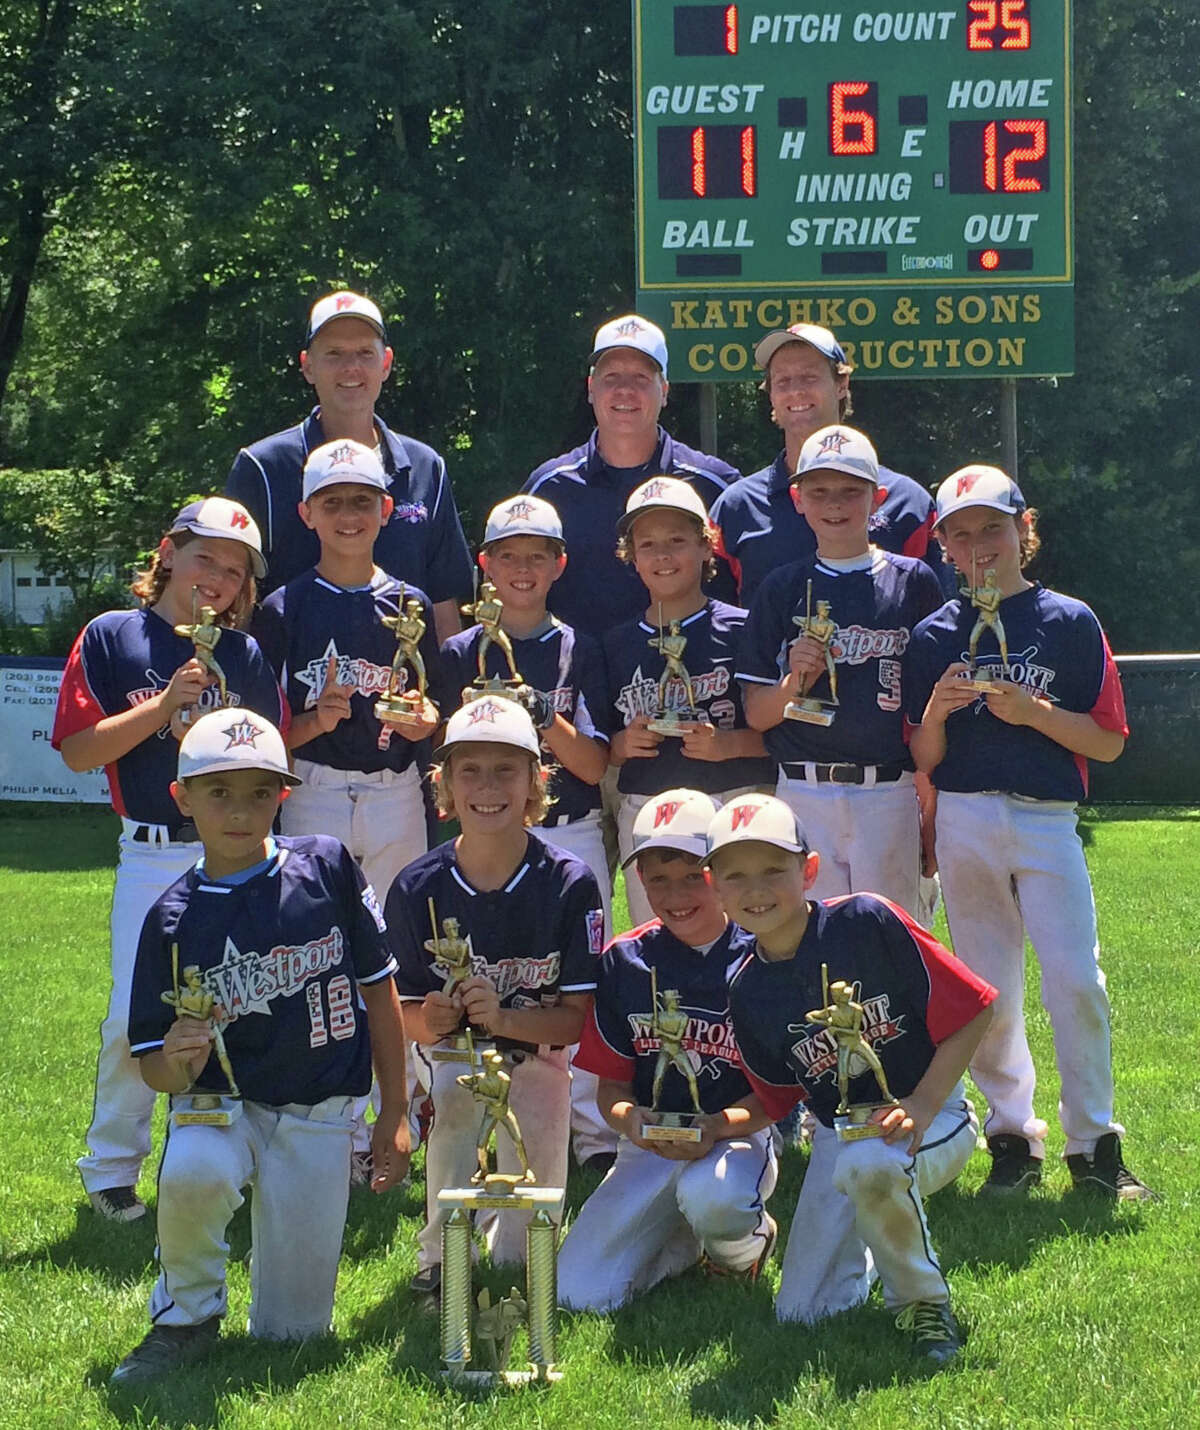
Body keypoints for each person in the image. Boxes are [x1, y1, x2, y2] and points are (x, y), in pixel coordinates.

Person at [109, 710, 410, 1386]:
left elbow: (380, 992)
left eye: (258, 792)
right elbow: (153, 1069)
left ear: (283, 794)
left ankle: (268, 1307)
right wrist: (177, 1058)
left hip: (320, 1108)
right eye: (219, 792)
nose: (240, 810)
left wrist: (394, 1111)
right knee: (191, 1173)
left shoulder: (326, 864)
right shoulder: (172, 918)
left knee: (293, 1336)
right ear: (182, 798)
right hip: (220, 1105)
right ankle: (185, 1317)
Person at [905, 465, 1154, 1201]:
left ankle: (1095, 1143)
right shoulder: (934, 634)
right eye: (962, 533)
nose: (979, 544)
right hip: (965, 816)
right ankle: (1012, 1137)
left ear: (1024, 531)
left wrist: (1036, 714)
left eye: (994, 527)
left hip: (1047, 820)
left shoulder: (1068, 620)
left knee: (1077, 980)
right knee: (993, 992)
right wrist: (940, 713)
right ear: (944, 545)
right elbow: (921, 755)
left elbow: (1108, 742)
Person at [52, 498, 283, 1223]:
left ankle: (234, 1158)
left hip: (240, 853)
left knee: (245, 1004)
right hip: (154, 854)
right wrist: (163, 709)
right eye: (204, 557)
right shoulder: (114, 635)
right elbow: (78, 749)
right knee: (135, 1016)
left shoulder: (243, 655)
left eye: (233, 567)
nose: (215, 577)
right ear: (168, 553)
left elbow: (276, 762)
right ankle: (112, 1169)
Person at [706, 794, 996, 1364]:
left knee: (875, 1167)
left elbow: (977, 1009)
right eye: (735, 876)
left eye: (774, 870)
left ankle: (923, 1305)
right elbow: (775, 1099)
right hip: (844, 1133)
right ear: (714, 887)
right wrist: (709, 1127)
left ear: (809, 870)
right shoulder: (746, 989)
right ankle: (880, 1231)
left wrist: (925, 1101)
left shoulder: (867, 919)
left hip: (934, 1110)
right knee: (802, 1312)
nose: (756, 890)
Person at [384, 697, 602, 1296]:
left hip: (539, 1055)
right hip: (455, 1053)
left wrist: (505, 1015)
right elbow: (405, 1017)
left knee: (526, 1252)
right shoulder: (415, 888)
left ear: (536, 782)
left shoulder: (569, 883)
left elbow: (574, 1021)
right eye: (469, 770)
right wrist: (435, 1018)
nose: (487, 786)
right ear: (444, 784)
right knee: (455, 1103)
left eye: (506, 769)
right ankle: (439, 1255)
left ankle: (512, 1250)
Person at [440, 494, 615, 1173]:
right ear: (484, 565)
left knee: (578, 984)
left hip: (568, 831)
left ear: (558, 564)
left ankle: (593, 1134)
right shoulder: (457, 651)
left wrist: (537, 716)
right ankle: (482, 1126)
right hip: (485, 837)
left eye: (536, 556)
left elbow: (595, 763)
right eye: (507, 556)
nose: (521, 568)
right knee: (494, 978)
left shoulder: (577, 646)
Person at [557, 790, 777, 1311]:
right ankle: (680, 1242)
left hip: (737, 1137)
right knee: (578, 1294)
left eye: (693, 874)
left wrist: (717, 1127)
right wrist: (631, 1122)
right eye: (658, 878)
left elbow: (779, 1096)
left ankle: (742, 1249)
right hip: (649, 1144)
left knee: (715, 1198)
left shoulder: (763, 955)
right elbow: (610, 1086)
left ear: (722, 871)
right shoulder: (624, 962)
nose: (676, 893)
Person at [737, 425, 944, 916]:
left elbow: (932, 709)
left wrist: (931, 806)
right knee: (809, 938)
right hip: (804, 787)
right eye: (820, 491)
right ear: (798, 498)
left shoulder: (913, 581)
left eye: (851, 491)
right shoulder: (783, 587)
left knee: (895, 939)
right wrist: (792, 685)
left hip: (889, 789)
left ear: (879, 498)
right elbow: (756, 714)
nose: (835, 504)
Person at [251, 438, 444, 899]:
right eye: (331, 502)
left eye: (362, 501)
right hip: (313, 789)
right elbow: (264, 736)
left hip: (396, 788)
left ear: (386, 508)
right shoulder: (283, 609)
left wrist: (427, 721)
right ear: (307, 514)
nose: (348, 516)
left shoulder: (411, 604)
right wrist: (315, 721)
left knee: (399, 934)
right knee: (315, 932)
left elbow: (434, 706)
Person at [225, 289, 472, 638]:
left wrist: (447, 689)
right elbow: (232, 593)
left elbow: (444, 603)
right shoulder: (263, 467)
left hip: (402, 689)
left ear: (385, 363)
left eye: (364, 353)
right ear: (308, 365)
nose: (351, 368)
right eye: (334, 354)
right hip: (290, 684)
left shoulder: (426, 467)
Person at [604, 477, 773, 926]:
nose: (663, 556)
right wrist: (624, 743)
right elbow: (600, 745)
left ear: (707, 546)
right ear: (631, 556)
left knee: (746, 931)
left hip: (733, 798)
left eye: (678, 540)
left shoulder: (743, 628)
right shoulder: (615, 642)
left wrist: (729, 745)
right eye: (648, 544)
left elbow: (785, 735)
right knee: (658, 931)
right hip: (649, 802)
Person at [523, 313, 740, 638]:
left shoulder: (716, 485)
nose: (625, 390)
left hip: (700, 684)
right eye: (611, 378)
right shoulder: (548, 489)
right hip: (580, 683)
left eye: (640, 378)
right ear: (591, 388)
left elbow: (752, 588)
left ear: (664, 391)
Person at [709, 323, 950, 606]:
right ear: (771, 394)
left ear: (841, 384)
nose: (796, 391)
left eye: (809, 377)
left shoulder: (909, 503)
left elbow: (939, 623)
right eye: (783, 381)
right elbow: (717, 628)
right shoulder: (736, 508)